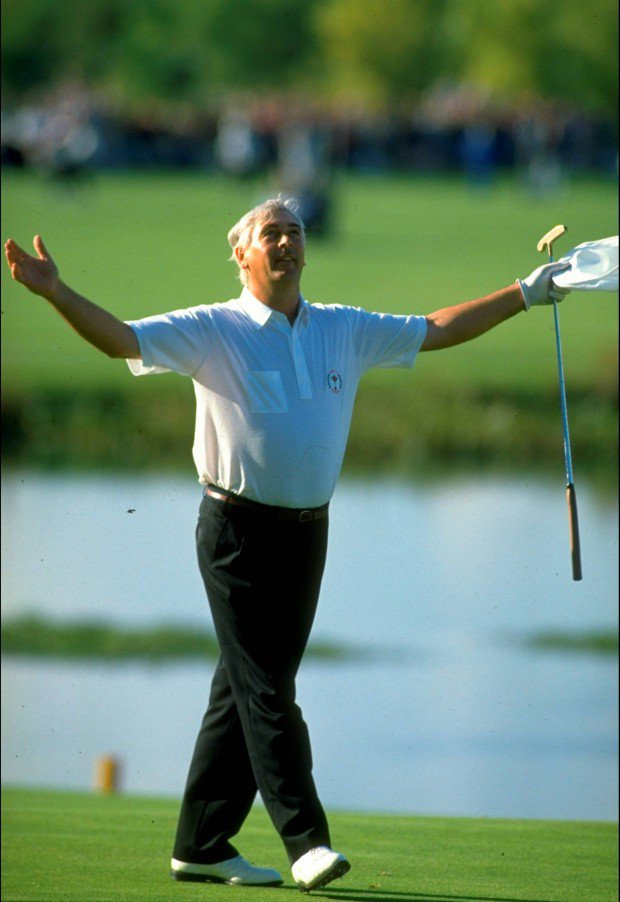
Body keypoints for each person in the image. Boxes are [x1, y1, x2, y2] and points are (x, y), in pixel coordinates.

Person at [4, 197, 570, 892]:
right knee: (267, 689)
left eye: (294, 232)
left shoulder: (342, 329)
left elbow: (436, 330)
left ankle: (202, 842)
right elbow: (121, 339)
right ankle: (306, 840)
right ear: (242, 254)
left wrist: (525, 294)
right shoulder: (213, 328)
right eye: (270, 233)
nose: (286, 242)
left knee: (243, 688)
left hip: (307, 534)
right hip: (234, 533)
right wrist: (56, 291)